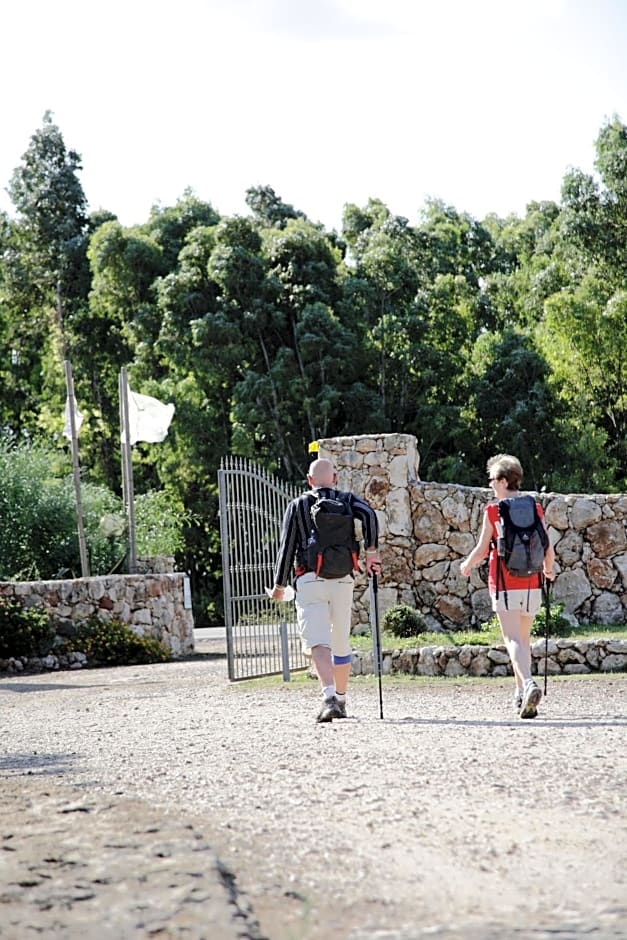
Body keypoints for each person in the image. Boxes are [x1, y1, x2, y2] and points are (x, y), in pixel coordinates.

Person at [271, 457, 381, 723]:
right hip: (343, 579)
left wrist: (279, 585)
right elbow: (369, 515)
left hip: (309, 580)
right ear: (335, 478)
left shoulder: (298, 505)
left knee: (319, 641)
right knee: (340, 641)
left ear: (309, 480)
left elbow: (287, 547)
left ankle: (329, 696)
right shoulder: (347, 499)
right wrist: (371, 552)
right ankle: (341, 700)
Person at [459, 454, 555, 719]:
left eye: (492, 479)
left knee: (511, 639)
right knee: (523, 640)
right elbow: (547, 544)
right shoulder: (534, 507)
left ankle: (528, 684)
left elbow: (481, 549)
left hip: (504, 581)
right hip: (532, 581)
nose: (490, 484)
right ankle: (520, 694)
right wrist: (549, 568)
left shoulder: (493, 511)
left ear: (502, 481)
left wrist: (467, 565)